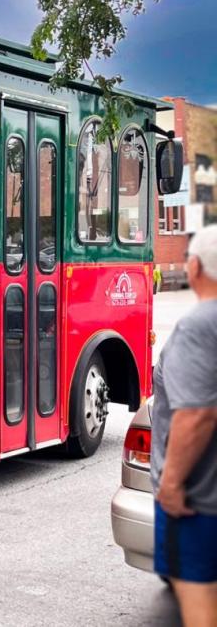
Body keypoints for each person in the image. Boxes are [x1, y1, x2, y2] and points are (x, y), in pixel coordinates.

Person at [153, 225, 217, 626]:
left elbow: (196, 414)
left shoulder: (199, 325)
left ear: (194, 267)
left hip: (199, 503)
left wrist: (172, 484)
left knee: (198, 608)